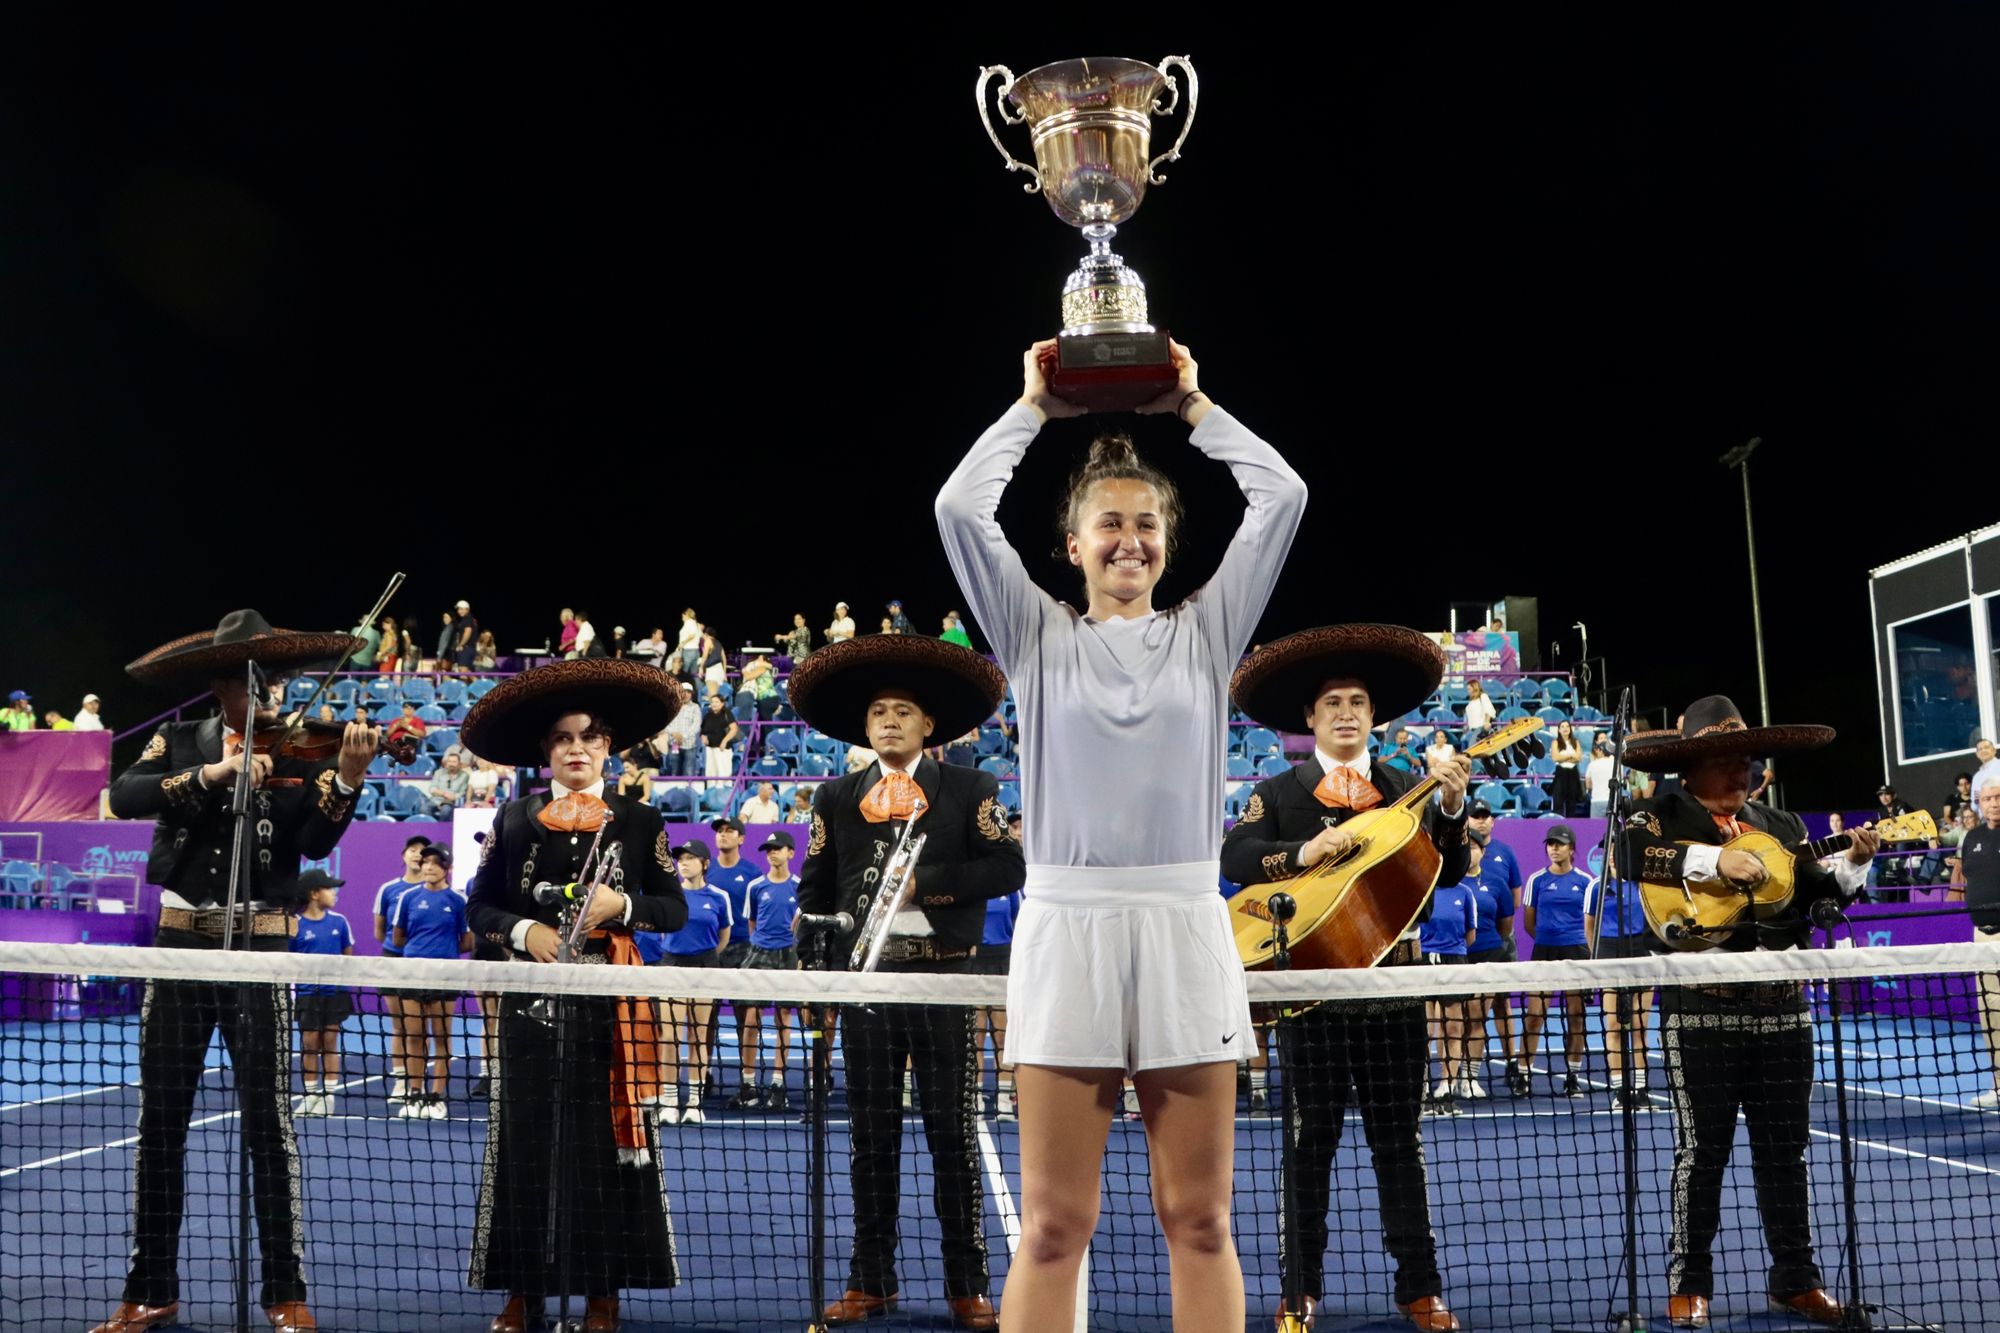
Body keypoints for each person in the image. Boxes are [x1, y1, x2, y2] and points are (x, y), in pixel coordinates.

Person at [937, 337, 1307, 1333]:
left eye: (1146, 524)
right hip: (1066, 930)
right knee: (1055, 1224)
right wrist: (1033, 408)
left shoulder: (1207, 631)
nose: (1129, 540)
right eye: (1109, 523)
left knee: (1199, 1216)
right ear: (1071, 542)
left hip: (1185, 929)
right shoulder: (1033, 638)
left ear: (1167, 541)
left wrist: (1190, 404)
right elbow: (956, 509)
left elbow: (1282, 494)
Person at [95, 609, 376, 1333]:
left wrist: (344, 776)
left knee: (268, 1124)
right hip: (181, 944)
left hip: (260, 951)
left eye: (280, 681)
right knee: (160, 1122)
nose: (276, 693)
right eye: (260, 680)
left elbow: (315, 835)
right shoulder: (180, 740)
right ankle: (149, 1289)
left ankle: (285, 1293)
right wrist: (213, 774)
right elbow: (126, 796)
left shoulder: (302, 750)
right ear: (225, 685)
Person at [1219, 625, 1470, 1330]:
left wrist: (1449, 811)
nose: (1347, 711)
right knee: (1307, 1150)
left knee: (1401, 1148)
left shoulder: (1408, 787)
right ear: (1310, 717)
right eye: (1333, 702)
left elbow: (1444, 873)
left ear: (1374, 714)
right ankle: (1299, 1289)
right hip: (1312, 996)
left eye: (1358, 701)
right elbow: (1237, 856)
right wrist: (1306, 848)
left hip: (1393, 992)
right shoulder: (1278, 791)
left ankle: (1420, 1288)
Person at [789, 634, 1025, 1330]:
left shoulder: (973, 788)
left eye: (904, 711)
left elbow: (1008, 869)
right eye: (879, 713)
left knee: (952, 1135)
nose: (890, 721)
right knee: (871, 1138)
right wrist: (819, 981)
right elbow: (813, 894)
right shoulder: (833, 796)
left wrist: (928, 884)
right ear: (866, 727)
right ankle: (872, 1280)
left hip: (945, 982)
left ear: (929, 726)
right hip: (866, 987)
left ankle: (967, 1284)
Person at [1623, 694, 1874, 1329]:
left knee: (1786, 1152)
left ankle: (1797, 1280)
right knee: (1700, 1154)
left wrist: (1853, 866)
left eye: (1746, 759)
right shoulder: (1654, 815)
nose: (1742, 770)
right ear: (1692, 766)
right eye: (1727, 759)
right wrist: (1713, 859)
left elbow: (1818, 887)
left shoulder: (1782, 824)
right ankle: (1688, 1284)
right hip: (1699, 1011)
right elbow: (1633, 861)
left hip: (1785, 1012)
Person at [461, 658, 687, 1333]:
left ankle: (602, 1292)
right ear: (545, 752)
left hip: (610, 1006)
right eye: (563, 738)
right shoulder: (514, 817)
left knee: (601, 1146)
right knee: (526, 1141)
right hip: (529, 1002)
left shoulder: (641, 821)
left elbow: (673, 909)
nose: (577, 748)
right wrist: (523, 929)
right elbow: (478, 908)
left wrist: (624, 904)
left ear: (609, 748)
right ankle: (524, 1290)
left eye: (589, 737)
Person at [391, 845, 470, 1120]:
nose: (429, 867)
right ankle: (414, 1094)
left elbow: (467, 941)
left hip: (445, 975)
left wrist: (441, 952)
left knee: (441, 1037)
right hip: (413, 972)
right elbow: (398, 938)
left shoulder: (459, 900)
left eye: (436, 863)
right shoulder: (408, 898)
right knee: (413, 1036)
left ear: (446, 868)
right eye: (425, 862)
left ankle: (436, 1097)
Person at [1518, 824, 1595, 1096]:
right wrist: (1551, 938)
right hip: (1545, 952)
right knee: (1535, 1016)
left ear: (1572, 849)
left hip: (1576, 954)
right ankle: (1523, 1075)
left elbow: (1591, 923)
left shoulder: (1585, 882)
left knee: (1576, 1016)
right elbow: (1529, 922)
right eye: (1550, 844)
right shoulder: (1536, 880)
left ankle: (1572, 1075)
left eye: (1560, 844)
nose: (1554, 848)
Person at [660, 838, 731, 1127]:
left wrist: (707, 957)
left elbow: (724, 934)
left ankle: (694, 1103)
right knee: (670, 1036)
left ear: (705, 864)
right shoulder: (670, 894)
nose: (683, 863)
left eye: (691, 858)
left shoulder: (718, 896)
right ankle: (668, 1102)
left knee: (699, 1035)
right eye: (681, 858)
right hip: (671, 966)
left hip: (705, 967)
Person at [736, 830, 801, 1111]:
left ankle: (777, 1084)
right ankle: (748, 1085)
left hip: (788, 955)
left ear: (791, 853)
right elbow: (753, 925)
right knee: (751, 1019)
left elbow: (799, 926)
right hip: (759, 954)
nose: (773, 853)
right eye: (769, 849)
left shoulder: (800, 886)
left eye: (778, 848)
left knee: (783, 1018)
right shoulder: (756, 887)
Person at [1588, 839, 1652, 1110]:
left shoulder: (1645, 885)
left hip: (1641, 952)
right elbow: (1590, 927)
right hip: (1609, 953)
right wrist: (1598, 960)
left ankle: (1640, 1090)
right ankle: (1619, 1091)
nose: (1612, 856)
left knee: (1639, 1026)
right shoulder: (1597, 886)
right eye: (1609, 852)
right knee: (1614, 1024)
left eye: (1618, 851)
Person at [289, 870, 353, 1119]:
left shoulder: (339, 922)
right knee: (309, 1044)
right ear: (314, 894)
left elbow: (348, 956)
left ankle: (328, 1097)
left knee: (329, 1042)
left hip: (334, 993)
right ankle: (310, 1095)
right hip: (307, 995)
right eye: (329, 888)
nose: (334, 892)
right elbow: (291, 960)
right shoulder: (296, 925)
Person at [374, 835, 430, 1108]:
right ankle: (400, 1081)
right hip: (394, 962)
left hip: (424, 965)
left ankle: (419, 1084)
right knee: (399, 1025)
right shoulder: (388, 890)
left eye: (423, 851)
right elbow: (379, 929)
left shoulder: (436, 890)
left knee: (420, 1029)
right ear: (403, 855)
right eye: (413, 850)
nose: (417, 855)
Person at [1954, 783, 2000, 1108]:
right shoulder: (1971, 838)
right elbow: (1966, 878)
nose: (1994, 803)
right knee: (1992, 1017)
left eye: (1999, 797)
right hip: (1981, 939)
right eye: (1988, 799)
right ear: (1978, 803)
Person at [700, 690, 739, 795]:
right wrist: (703, 738)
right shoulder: (708, 716)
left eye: (717, 702)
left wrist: (724, 741)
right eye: (712, 702)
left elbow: (734, 729)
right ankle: (710, 796)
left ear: (722, 703)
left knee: (723, 773)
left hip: (723, 749)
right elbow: (703, 731)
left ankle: (725, 796)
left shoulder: (727, 713)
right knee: (711, 773)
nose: (714, 704)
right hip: (710, 748)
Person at [1549, 719, 1585, 816]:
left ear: (1570, 729)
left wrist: (1564, 757)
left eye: (1567, 726)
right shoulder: (1555, 742)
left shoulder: (1576, 742)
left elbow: (1579, 757)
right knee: (1558, 800)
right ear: (1559, 730)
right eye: (1562, 727)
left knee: (1572, 802)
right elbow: (1555, 757)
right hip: (1561, 773)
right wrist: (1570, 756)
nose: (1565, 728)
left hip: (1573, 772)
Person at [1586, 737, 1618, 817]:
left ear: (1600, 750)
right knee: (1613, 828)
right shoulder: (1617, 764)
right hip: (1612, 801)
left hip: (1597, 800)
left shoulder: (1592, 764)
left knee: (1595, 829)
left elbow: (1588, 785)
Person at [676, 608, 704, 677]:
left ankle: (680, 687)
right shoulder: (696, 624)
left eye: (683, 615)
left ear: (686, 615)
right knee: (694, 675)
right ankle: (699, 687)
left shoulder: (689, 622)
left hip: (688, 651)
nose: (682, 616)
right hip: (695, 651)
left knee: (683, 672)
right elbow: (701, 636)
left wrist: (682, 643)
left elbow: (692, 635)